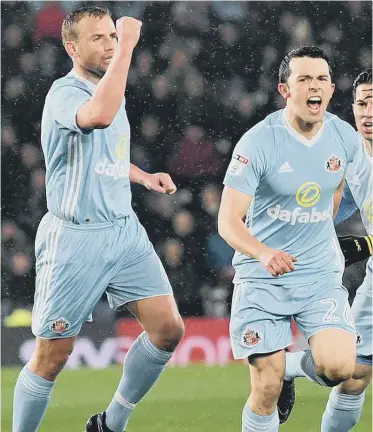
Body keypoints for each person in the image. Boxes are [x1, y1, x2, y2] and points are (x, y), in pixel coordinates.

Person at [12, 6, 185, 432]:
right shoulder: (65, 94)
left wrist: (142, 177)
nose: (109, 44)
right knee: (52, 357)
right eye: (99, 38)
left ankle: (111, 422)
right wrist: (128, 45)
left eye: (113, 35)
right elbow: (100, 117)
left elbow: (108, 153)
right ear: (71, 47)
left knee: (168, 330)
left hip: (124, 232)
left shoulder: (112, 87)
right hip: (75, 238)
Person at [218, 46, 360, 432]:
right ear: (285, 89)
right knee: (265, 387)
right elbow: (228, 221)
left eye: (322, 79)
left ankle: (293, 369)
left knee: (340, 368)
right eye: (304, 79)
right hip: (263, 277)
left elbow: (337, 192)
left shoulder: (343, 137)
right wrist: (262, 253)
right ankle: (279, 377)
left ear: (331, 89)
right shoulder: (258, 142)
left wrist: (319, 237)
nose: (314, 86)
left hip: (317, 276)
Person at [279, 70, 372, 431]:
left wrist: (363, 244)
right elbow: (327, 213)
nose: (368, 111)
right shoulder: (351, 163)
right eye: (362, 103)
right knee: (351, 374)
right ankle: (287, 368)